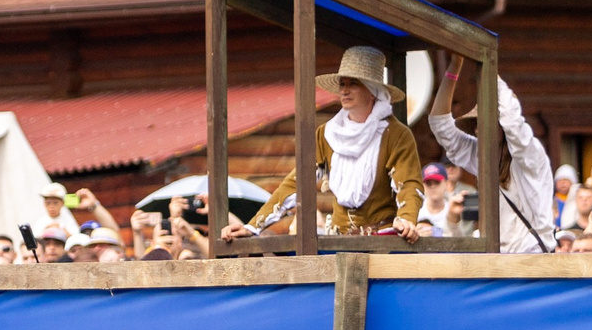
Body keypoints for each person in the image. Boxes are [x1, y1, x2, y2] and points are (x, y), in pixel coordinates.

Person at [225, 46, 424, 241]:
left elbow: (408, 183)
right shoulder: (327, 133)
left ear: (373, 91)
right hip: (339, 242)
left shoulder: (396, 134)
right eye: (342, 84)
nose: (344, 91)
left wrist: (406, 220)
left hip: (381, 241)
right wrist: (253, 226)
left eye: (353, 84)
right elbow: (296, 182)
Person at [427, 55, 555, 253]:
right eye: (476, 124)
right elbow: (440, 126)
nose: (478, 130)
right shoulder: (483, 156)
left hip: (532, 261)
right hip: (499, 262)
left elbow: (513, 124)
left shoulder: (531, 156)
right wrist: (454, 67)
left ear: (500, 125)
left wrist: (487, 63)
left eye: (485, 122)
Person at [415, 163, 459, 237]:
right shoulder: (416, 211)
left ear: (447, 184)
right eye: (428, 183)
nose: (433, 186)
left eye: (437, 182)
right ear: (423, 186)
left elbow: (462, 240)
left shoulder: (453, 209)